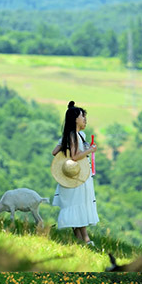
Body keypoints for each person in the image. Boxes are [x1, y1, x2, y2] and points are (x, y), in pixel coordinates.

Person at [51, 101, 100, 245]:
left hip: (71, 176)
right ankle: (85, 239)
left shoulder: (73, 135)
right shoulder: (74, 135)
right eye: (82, 117)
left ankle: (80, 239)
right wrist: (90, 151)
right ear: (75, 119)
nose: (84, 119)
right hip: (77, 176)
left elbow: (54, 152)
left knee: (74, 205)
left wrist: (63, 142)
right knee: (79, 204)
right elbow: (74, 156)